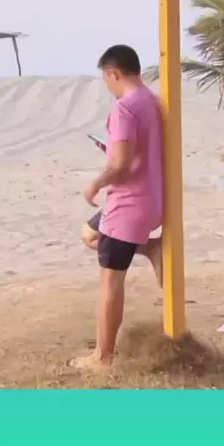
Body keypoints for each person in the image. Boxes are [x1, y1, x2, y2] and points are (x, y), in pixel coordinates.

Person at [70, 44, 163, 371]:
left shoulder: (124, 108)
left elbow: (121, 164)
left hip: (127, 205)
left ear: (114, 73)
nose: (107, 85)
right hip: (152, 199)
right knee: (89, 234)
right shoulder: (153, 101)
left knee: (110, 282)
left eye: (106, 78)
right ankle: (149, 247)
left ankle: (102, 357)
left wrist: (96, 183)